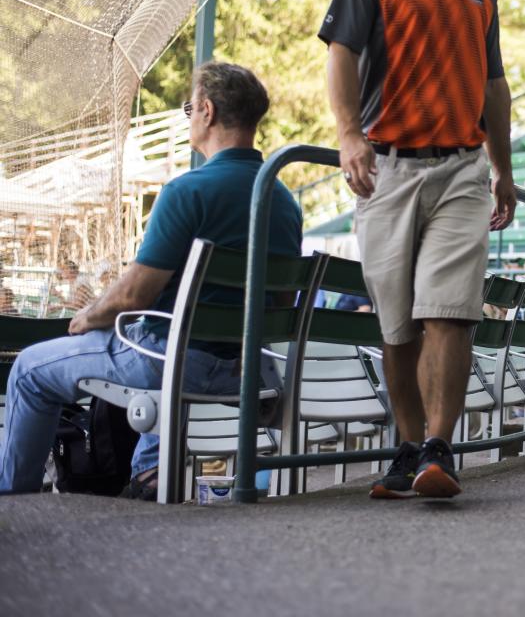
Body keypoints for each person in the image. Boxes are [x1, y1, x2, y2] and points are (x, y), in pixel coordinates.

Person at [0, 62, 301, 497]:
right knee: (167, 352)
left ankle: (13, 500)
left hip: (172, 362)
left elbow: (134, 294)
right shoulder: (285, 203)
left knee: (30, 369)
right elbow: (281, 301)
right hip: (247, 370)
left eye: (188, 108)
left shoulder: (188, 192)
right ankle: (148, 472)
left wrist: (90, 314)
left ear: (206, 111)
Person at [320, 0, 516, 500]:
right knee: (398, 328)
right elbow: (341, 52)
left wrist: (504, 171)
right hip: (389, 171)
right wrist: (349, 134)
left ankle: (439, 446)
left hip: (462, 169)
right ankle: (408, 446)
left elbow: (495, 87)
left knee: (450, 313)